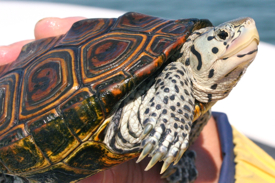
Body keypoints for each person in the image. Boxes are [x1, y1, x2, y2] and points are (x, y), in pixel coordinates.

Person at [1, 18, 274, 183]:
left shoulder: (197, 97)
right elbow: (175, 72)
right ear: (195, 47)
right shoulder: (178, 74)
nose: (245, 34)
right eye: (224, 35)